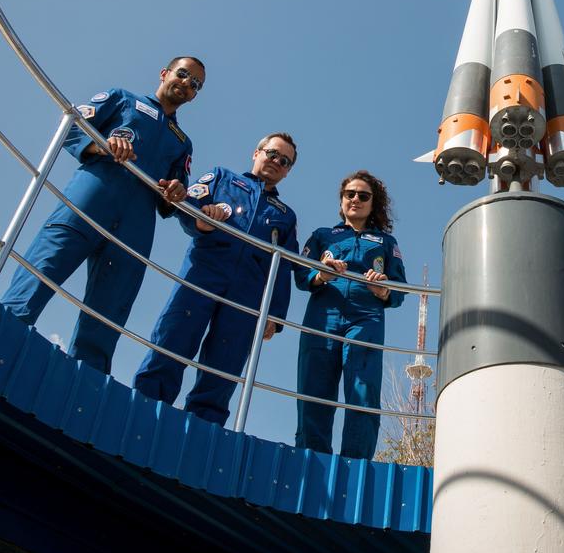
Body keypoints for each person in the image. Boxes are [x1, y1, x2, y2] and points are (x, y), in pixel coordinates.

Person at [1, 57, 201, 374]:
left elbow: (173, 199)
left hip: (137, 222)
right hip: (92, 196)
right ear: (164, 73)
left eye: (195, 84)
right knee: (43, 267)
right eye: (183, 74)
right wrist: (102, 147)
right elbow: (72, 127)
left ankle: (88, 379)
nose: (187, 83)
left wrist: (176, 193)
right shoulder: (123, 99)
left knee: (111, 305)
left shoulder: (183, 143)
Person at [133, 133, 300, 426]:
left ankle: (201, 433)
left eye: (284, 161)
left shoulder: (286, 216)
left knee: (225, 366)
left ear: (288, 171)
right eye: (272, 153)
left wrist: (275, 314)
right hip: (203, 273)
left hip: (246, 295)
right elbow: (189, 205)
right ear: (256, 152)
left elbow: (284, 266)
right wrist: (201, 220)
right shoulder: (222, 177)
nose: (276, 162)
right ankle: (143, 414)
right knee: (172, 340)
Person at [294, 170, 406, 459]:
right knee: (314, 386)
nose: (355, 199)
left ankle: (356, 465)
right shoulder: (323, 236)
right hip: (324, 314)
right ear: (342, 200)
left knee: (363, 388)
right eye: (350, 194)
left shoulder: (385, 242)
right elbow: (300, 273)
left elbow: (400, 288)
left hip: (365, 318)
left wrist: (383, 290)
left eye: (363, 196)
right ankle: (311, 458)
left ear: (373, 203)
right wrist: (321, 275)